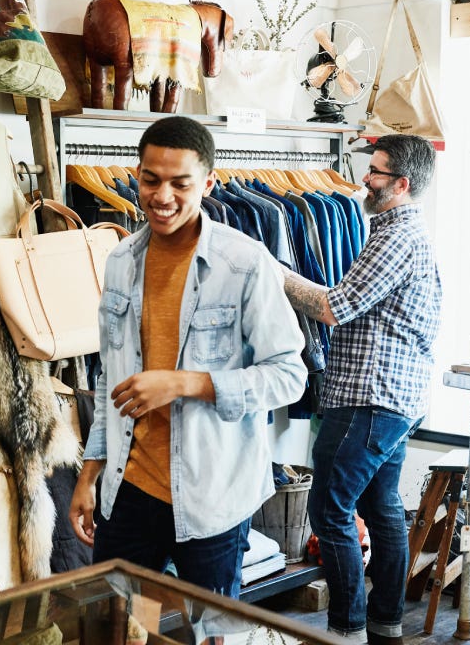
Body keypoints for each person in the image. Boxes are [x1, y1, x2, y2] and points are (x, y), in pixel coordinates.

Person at [69, 116, 307, 597]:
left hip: (212, 497)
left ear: (208, 183)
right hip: (127, 491)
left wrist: (185, 382)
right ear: (137, 175)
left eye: (181, 183)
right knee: (121, 626)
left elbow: (290, 375)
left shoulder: (244, 263)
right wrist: (89, 473)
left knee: (210, 632)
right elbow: (107, 380)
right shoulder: (120, 261)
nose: (162, 197)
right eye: (151, 180)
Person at [280, 134, 442, 645]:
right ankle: (384, 624)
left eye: (375, 171)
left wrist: (273, 274)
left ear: (402, 183)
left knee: (329, 509)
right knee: (382, 507)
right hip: (393, 398)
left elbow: (334, 307)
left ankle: (345, 630)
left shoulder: (397, 237)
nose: (363, 179)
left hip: (370, 399)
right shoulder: (395, 231)